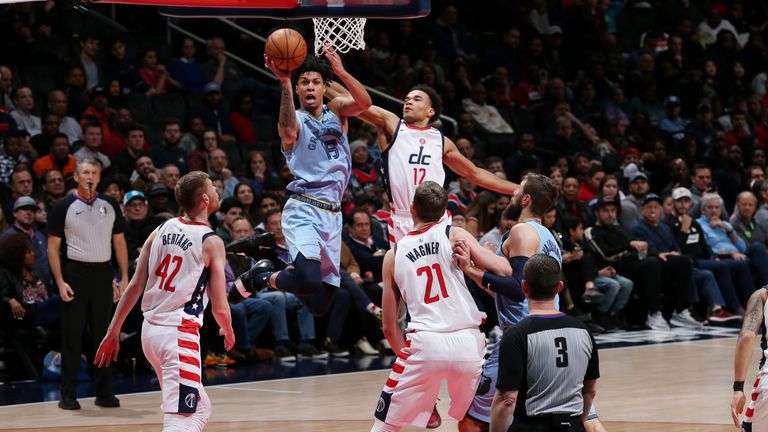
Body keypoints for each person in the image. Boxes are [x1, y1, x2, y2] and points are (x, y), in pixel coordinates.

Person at [459, 174, 606, 432]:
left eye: (518, 190)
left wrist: (470, 270)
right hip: (556, 329)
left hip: (523, 334)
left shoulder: (521, 231)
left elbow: (517, 290)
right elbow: (511, 290)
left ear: (526, 199)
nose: (513, 193)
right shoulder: (548, 237)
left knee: (472, 421)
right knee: (586, 418)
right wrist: (483, 271)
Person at [232, 47, 372, 316]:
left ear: (323, 88)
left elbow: (364, 103)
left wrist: (340, 71)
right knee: (307, 281)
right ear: (297, 89)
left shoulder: (338, 110)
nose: (310, 87)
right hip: (304, 209)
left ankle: (270, 260)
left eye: (316, 82)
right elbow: (286, 130)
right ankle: (260, 278)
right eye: (304, 82)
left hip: (333, 214)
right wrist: (284, 81)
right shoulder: (293, 119)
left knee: (320, 304)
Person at [95, 171, 234, 432]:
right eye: (213, 187)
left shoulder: (162, 228)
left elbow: (135, 286)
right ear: (205, 198)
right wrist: (227, 328)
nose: (217, 190)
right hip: (178, 335)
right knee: (184, 417)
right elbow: (219, 303)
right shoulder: (211, 241)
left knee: (199, 407)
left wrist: (113, 330)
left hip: (150, 333)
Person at [371, 181, 511, 432]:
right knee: (473, 422)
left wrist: (411, 363)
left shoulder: (393, 254)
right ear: (445, 210)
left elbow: (390, 328)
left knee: (386, 425)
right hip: (469, 343)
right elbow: (503, 269)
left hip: (425, 343)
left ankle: (425, 399)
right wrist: (470, 265)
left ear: (412, 209)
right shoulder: (455, 234)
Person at [326, 82, 519, 245]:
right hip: (404, 218)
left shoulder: (441, 141)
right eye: (407, 98)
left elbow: (475, 174)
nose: (409, 101)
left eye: (416, 99)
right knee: (407, 284)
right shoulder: (394, 125)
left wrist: (516, 189)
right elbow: (354, 101)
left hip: (436, 219)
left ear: (430, 111)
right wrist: (320, 80)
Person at [47, 158, 129, 410]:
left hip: (103, 273)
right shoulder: (64, 206)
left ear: (99, 176)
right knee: (72, 336)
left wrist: (124, 277)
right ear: (76, 177)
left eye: (94, 172)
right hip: (75, 273)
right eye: (85, 172)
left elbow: (119, 243)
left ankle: (104, 392)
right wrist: (60, 282)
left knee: (103, 336)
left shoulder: (110, 204)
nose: (90, 176)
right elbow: (52, 248)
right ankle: (68, 394)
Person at [490, 254, 599, 432]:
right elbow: (590, 391)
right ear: (560, 287)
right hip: (572, 426)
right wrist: (578, 422)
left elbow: (507, 399)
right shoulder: (584, 330)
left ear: (524, 286)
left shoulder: (516, 335)